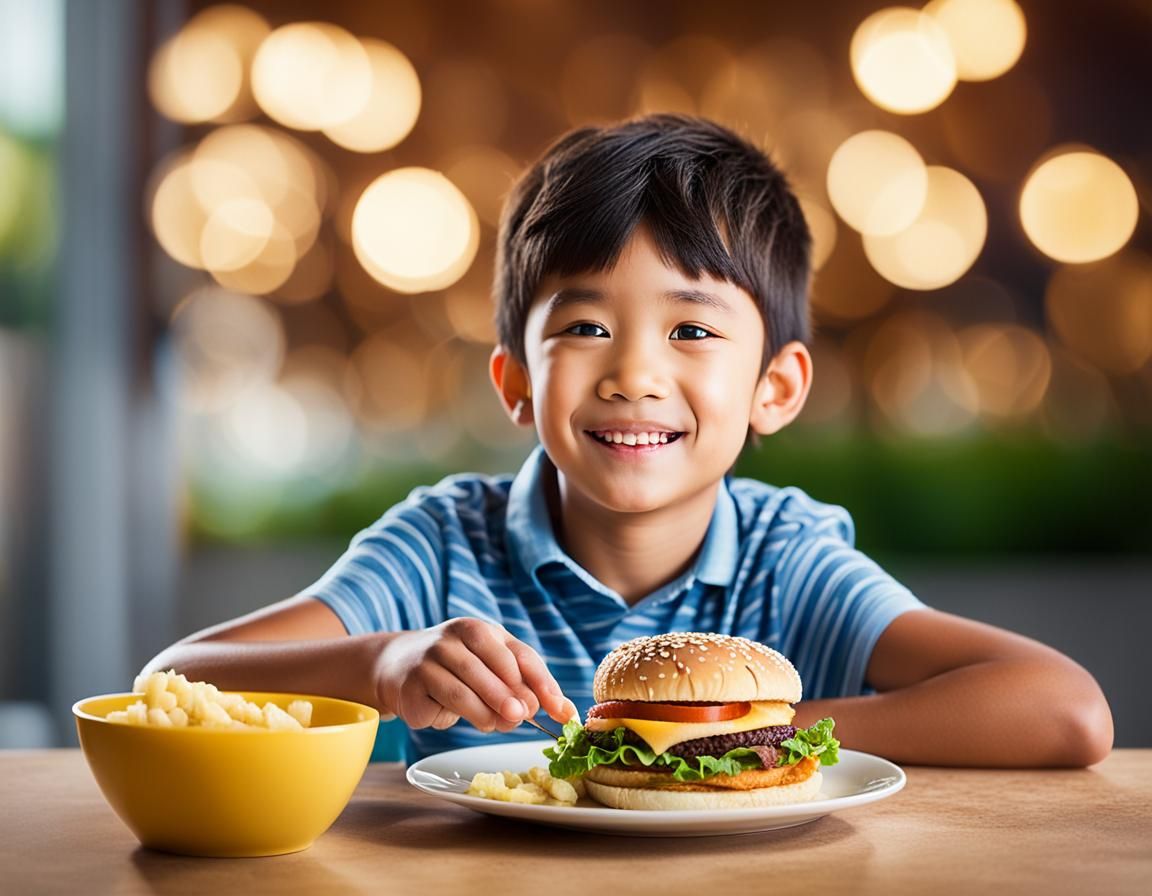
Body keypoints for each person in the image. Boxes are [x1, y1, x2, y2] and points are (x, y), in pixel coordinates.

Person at [143, 114, 1113, 767]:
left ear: (774, 387)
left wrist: (727, 732)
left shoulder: (785, 556)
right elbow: (169, 680)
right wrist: (383, 662)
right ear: (517, 381)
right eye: (585, 326)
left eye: (690, 329)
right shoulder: (443, 546)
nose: (634, 373)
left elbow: (1064, 708)